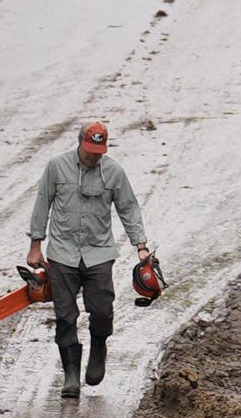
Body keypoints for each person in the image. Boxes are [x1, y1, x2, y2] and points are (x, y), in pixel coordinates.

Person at [26, 120, 151, 401]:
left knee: (103, 309)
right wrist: (36, 245)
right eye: (90, 150)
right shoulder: (57, 167)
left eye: (99, 151)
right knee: (65, 316)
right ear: (80, 142)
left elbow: (128, 208)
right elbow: (42, 203)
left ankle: (98, 346)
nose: (94, 156)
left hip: (99, 253)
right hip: (62, 253)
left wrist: (141, 247)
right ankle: (71, 375)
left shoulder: (114, 172)